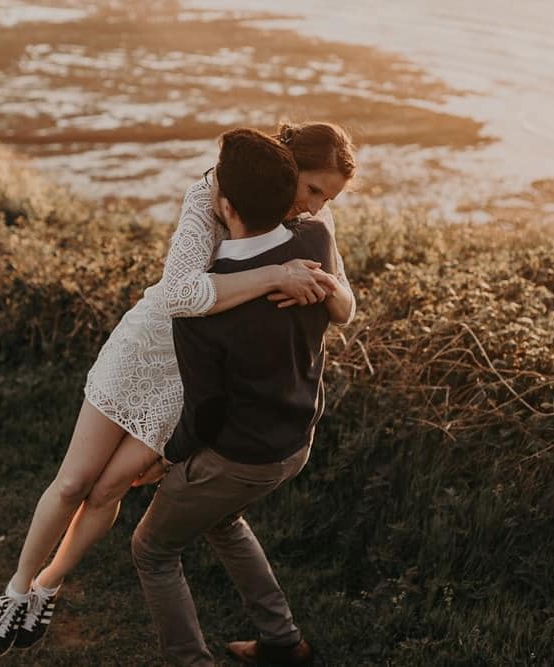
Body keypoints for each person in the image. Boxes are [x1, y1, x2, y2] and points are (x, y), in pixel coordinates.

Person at [0, 121, 357, 658]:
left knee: (109, 489)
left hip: (192, 371)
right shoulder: (211, 195)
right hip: (148, 349)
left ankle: (48, 587)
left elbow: (343, 303)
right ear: (287, 167)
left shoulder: (313, 223)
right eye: (313, 189)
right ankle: (16, 591)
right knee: (73, 482)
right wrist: (277, 275)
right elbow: (181, 294)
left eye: (327, 198)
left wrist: (326, 288)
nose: (315, 206)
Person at [131, 127, 339, 667]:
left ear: (224, 206)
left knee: (153, 550)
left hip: (242, 456)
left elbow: (206, 409)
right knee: (222, 520)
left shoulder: (206, 301)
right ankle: (283, 642)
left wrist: (168, 457)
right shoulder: (314, 244)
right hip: (297, 439)